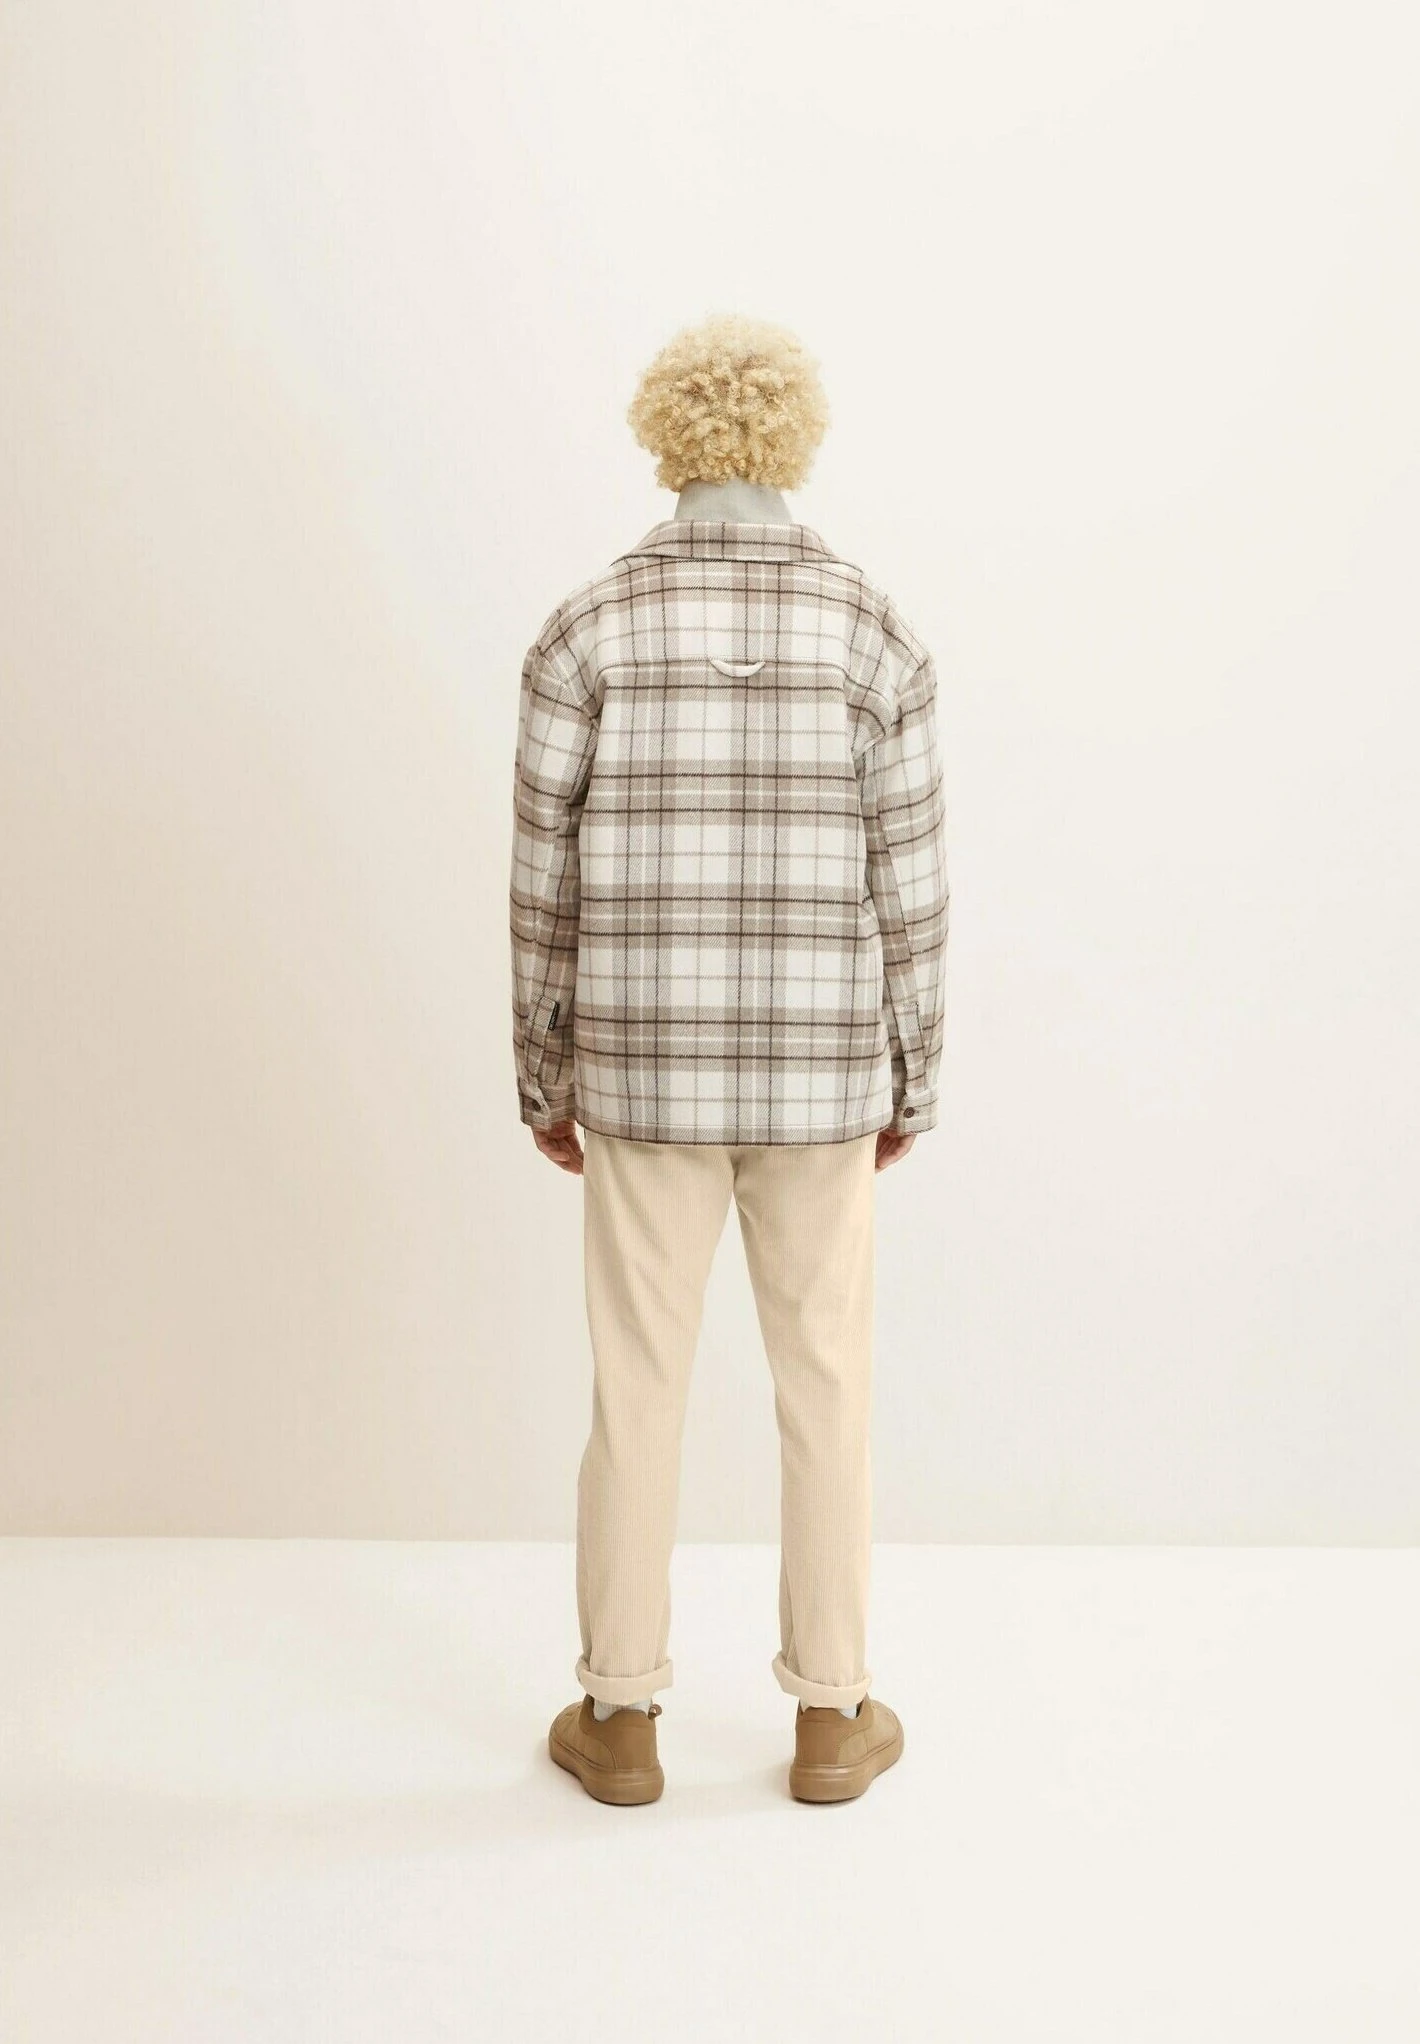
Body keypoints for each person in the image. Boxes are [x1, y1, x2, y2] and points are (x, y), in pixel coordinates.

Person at [508, 313, 949, 1805]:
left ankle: (619, 1716)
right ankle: (834, 1713)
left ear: (667, 437)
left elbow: (540, 883)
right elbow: (912, 887)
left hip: (642, 1072)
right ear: (793, 438)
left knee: (637, 1386)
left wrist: (543, 1069)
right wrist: (914, 1071)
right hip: (822, 1079)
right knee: (826, 1386)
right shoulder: (873, 632)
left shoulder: (588, 630)